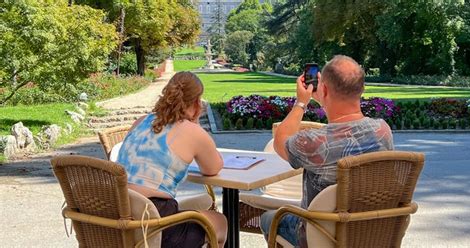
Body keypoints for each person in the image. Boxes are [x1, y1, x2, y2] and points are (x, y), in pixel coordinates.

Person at [260, 55, 394, 247]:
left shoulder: (316, 142)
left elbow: (280, 142)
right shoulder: (382, 130)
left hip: (321, 235)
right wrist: (326, 97)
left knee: (268, 219)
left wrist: (301, 103)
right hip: (369, 231)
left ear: (323, 88)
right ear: (362, 89)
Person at [116, 71, 227, 248]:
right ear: (198, 102)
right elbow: (213, 168)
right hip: (156, 225)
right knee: (219, 221)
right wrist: (196, 125)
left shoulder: (141, 121)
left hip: (120, 217)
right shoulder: (192, 131)